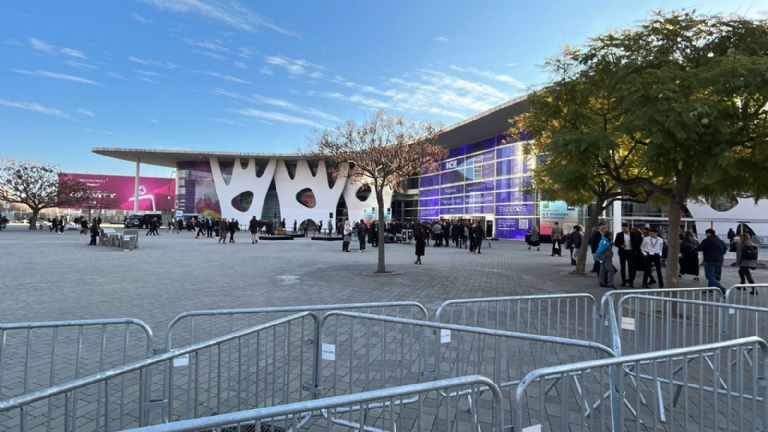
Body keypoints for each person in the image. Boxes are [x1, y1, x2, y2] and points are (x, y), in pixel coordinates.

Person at [697, 228, 728, 294]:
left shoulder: (707, 240)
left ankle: (723, 289)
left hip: (710, 260)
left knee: (709, 276)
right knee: (713, 276)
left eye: (706, 234)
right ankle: (710, 290)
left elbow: (700, 248)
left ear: (709, 233)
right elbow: (724, 251)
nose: (706, 235)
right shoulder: (721, 241)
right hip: (720, 261)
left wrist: (694, 248)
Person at [614, 223, 641, 288]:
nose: (623, 230)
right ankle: (623, 281)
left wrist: (635, 251)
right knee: (622, 267)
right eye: (622, 228)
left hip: (631, 252)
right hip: (623, 252)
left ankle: (631, 282)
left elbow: (636, 243)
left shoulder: (633, 235)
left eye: (625, 228)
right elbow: (615, 243)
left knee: (631, 267)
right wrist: (621, 245)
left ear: (628, 228)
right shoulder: (619, 234)